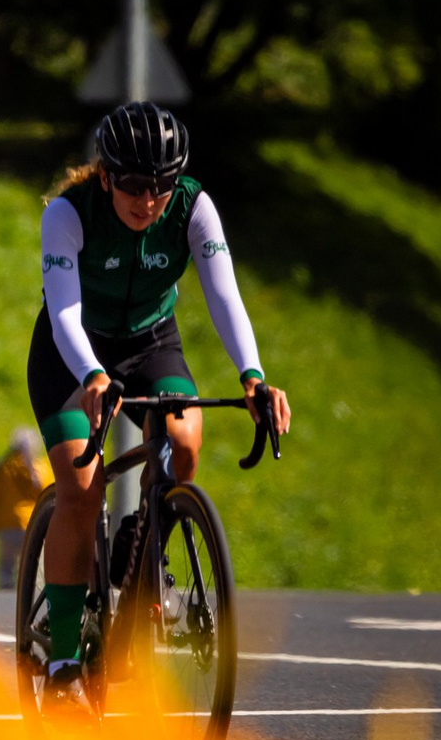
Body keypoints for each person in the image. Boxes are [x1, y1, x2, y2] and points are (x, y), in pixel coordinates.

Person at [30, 102, 292, 702]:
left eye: (161, 186)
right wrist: (93, 375)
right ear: (105, 175)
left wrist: (253, 378)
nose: (148, 200)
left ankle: (141, 547)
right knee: (81, 487)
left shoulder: (193, 208)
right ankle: (64, 657)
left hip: (151, 342)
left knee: (184, 447)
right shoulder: (69, 214)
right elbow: (64, 311)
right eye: (133, 185)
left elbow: (224, 295)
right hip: (74, 352)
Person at [0, 426, 51, 589]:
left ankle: (4, 593)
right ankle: (32, 593)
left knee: (6, 564)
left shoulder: (3, 467)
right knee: (32, 563)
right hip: (32, 523)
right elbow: (50, 495)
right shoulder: (42, 468)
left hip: (8, 524)